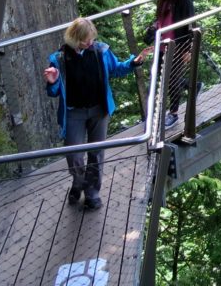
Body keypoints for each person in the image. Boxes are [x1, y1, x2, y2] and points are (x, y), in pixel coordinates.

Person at [43, 18, 149, 211]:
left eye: (91, 38)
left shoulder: (101, 51)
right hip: (73, 113)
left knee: (96, 154)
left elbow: (116, 69)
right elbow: (53, 92)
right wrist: (52, 81)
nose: (89, 43)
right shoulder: (58, 58)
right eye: (85, 40)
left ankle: (92, 194)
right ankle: (78, 182)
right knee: (73, 154)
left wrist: (134, 62)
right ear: (75, 39)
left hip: (99, 110)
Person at [143, 0, 196, 128]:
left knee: (172, 79)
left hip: (177, 45)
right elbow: (159, 19)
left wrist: (189, 49)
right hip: (162, 44)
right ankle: (193, 85)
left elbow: (190, 24)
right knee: (161, 76)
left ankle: (173, 113)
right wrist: (153, 29)